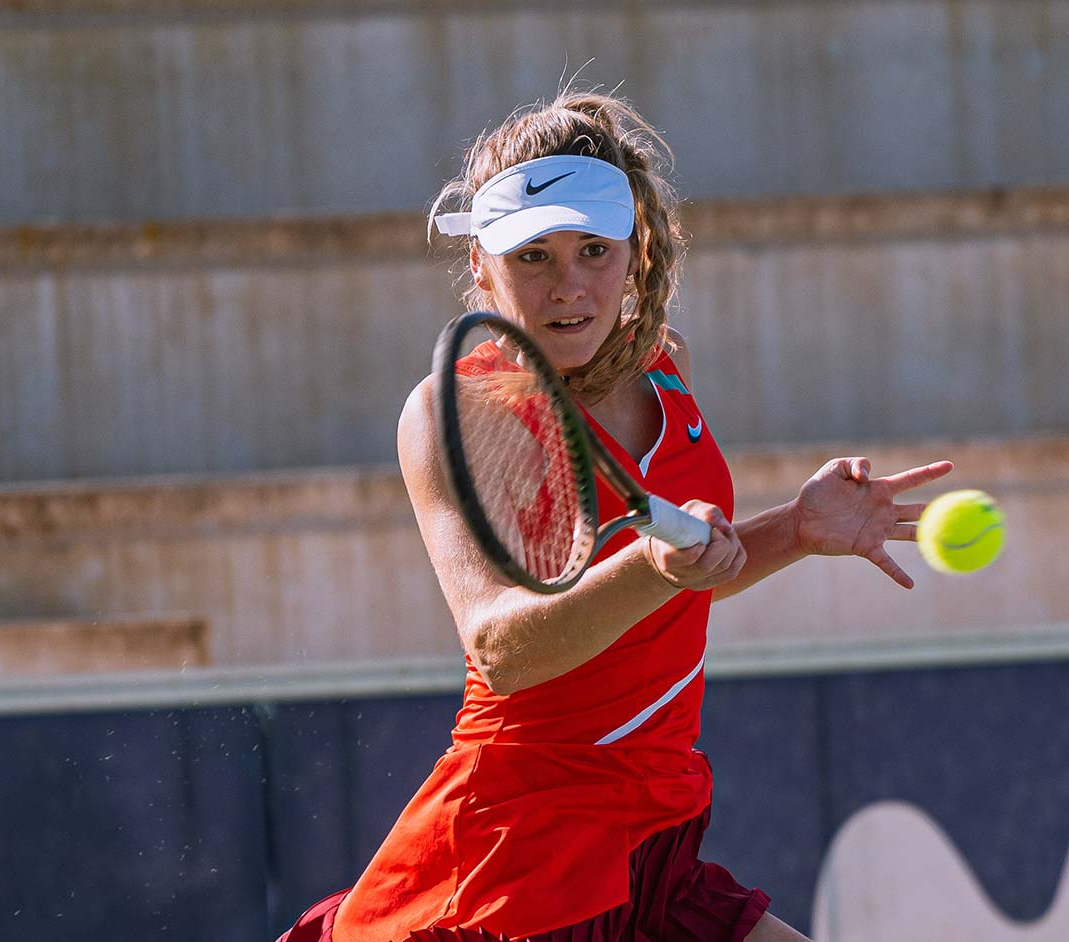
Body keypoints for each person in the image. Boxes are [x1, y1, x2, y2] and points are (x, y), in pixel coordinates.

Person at [279, 90, 952, 942]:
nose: (568, 287)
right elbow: (501, 649)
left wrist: (796, 529)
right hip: (524, 851)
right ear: (480, 264)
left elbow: (679, 579)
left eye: (593, 250)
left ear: (634, 254)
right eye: (533, 256)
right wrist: (651, 566)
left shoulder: (667, 369)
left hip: (653, 835)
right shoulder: (458, 411)